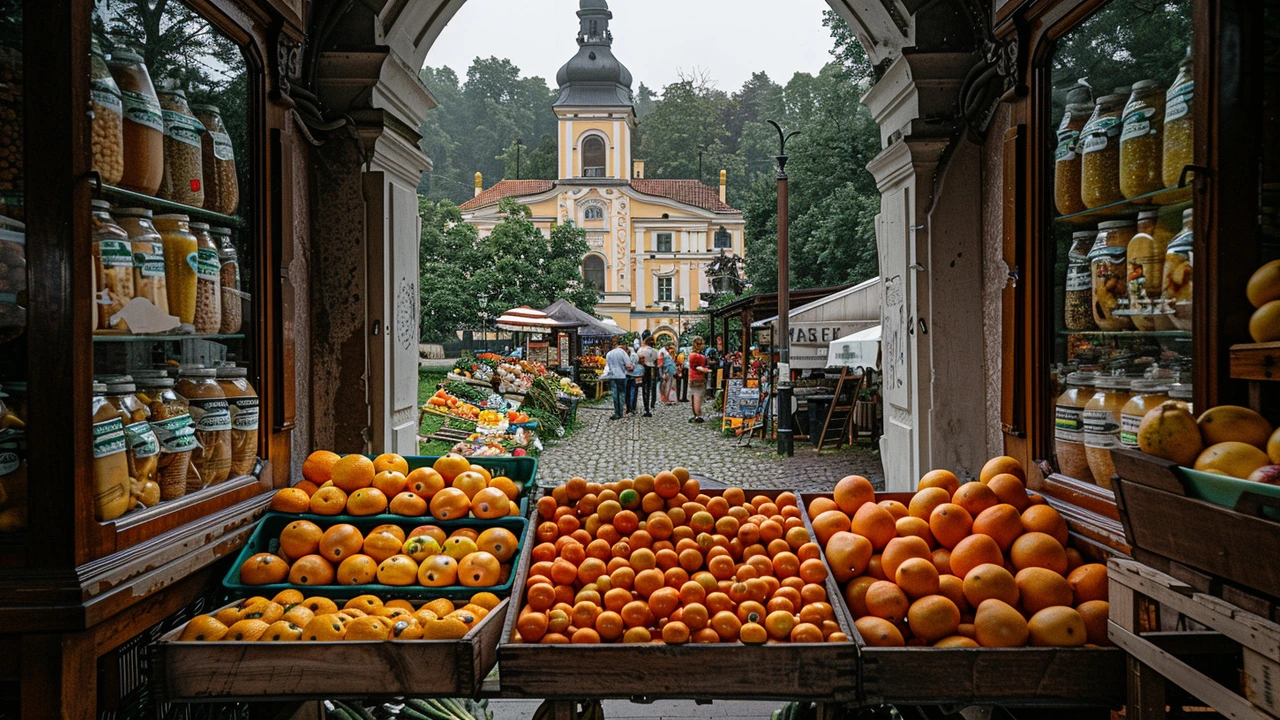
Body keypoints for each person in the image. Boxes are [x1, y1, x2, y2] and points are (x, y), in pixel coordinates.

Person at [603, 337, 632, 420]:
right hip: (621, 376)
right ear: (622, 345)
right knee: (622, 394)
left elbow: (607, 366)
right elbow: (628, 365)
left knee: (615, 394)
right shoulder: (623, 353)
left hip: (612, 376)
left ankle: (616, 412)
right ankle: (621, 412)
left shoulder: (609, 353)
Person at [687, 336, 711, 423]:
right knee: (698, 397)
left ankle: (696, 415)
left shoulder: (692, 355)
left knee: (694, 396)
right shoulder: (701, 356)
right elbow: (700, 367)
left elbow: (694, 367)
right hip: (700, 377)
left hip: (693, 377)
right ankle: (698, 414)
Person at [637, 335, 660, 416]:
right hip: (652, 369)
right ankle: (652, 403)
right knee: (652, 387)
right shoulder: (656, 351)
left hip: (644, 369)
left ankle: (646, 407)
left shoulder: (641, 350)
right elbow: (657, 362)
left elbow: (638, 360)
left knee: (645, 389)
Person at [625, 344, 643, 414]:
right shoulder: (635, 355)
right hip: (635, 375)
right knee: (633, 392)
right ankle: (632, 407)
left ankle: (629, 407)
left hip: (629, 375)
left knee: (629, 392)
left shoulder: (630, 356)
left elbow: (631, 367)